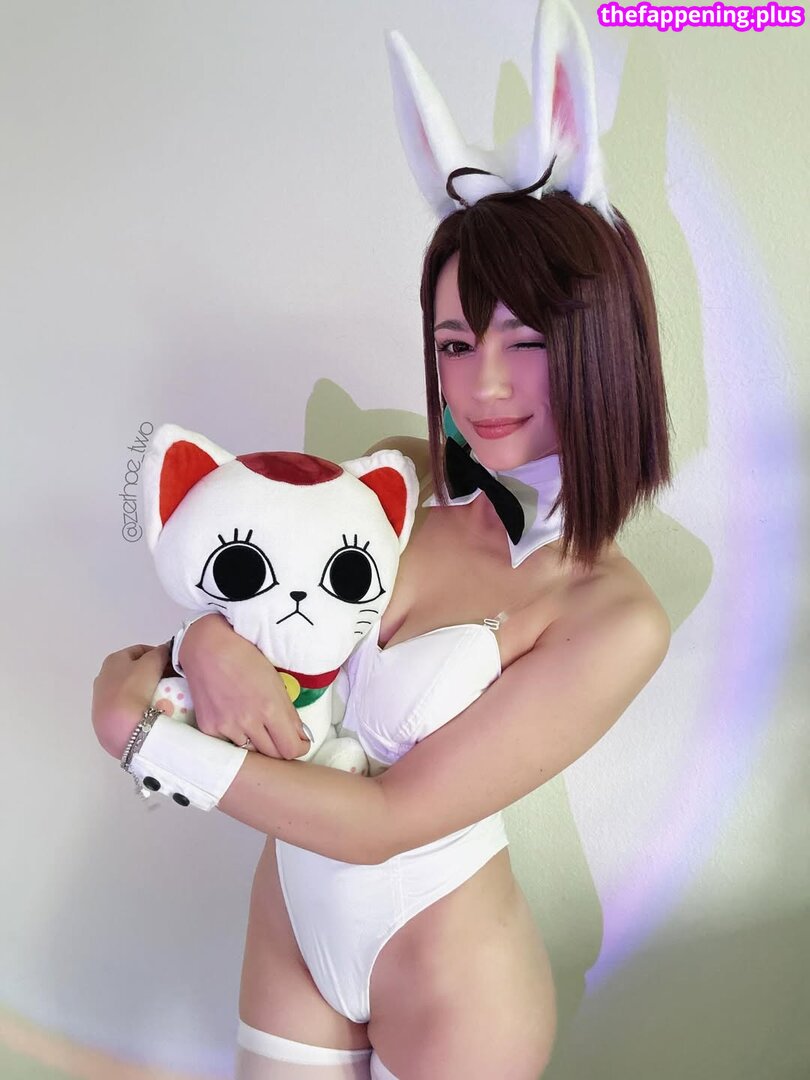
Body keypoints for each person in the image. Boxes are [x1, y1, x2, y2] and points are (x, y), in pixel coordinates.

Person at [91, 3, 674, 1077]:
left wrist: (146, 744)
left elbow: (385, 820)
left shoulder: (616, 617)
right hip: (290, 925)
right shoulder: (398, 476)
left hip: (447, 967)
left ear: (603, 344)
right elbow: (257, 623)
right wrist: (207, 646)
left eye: (524, 341)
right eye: (454, 342)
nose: (481, 385)